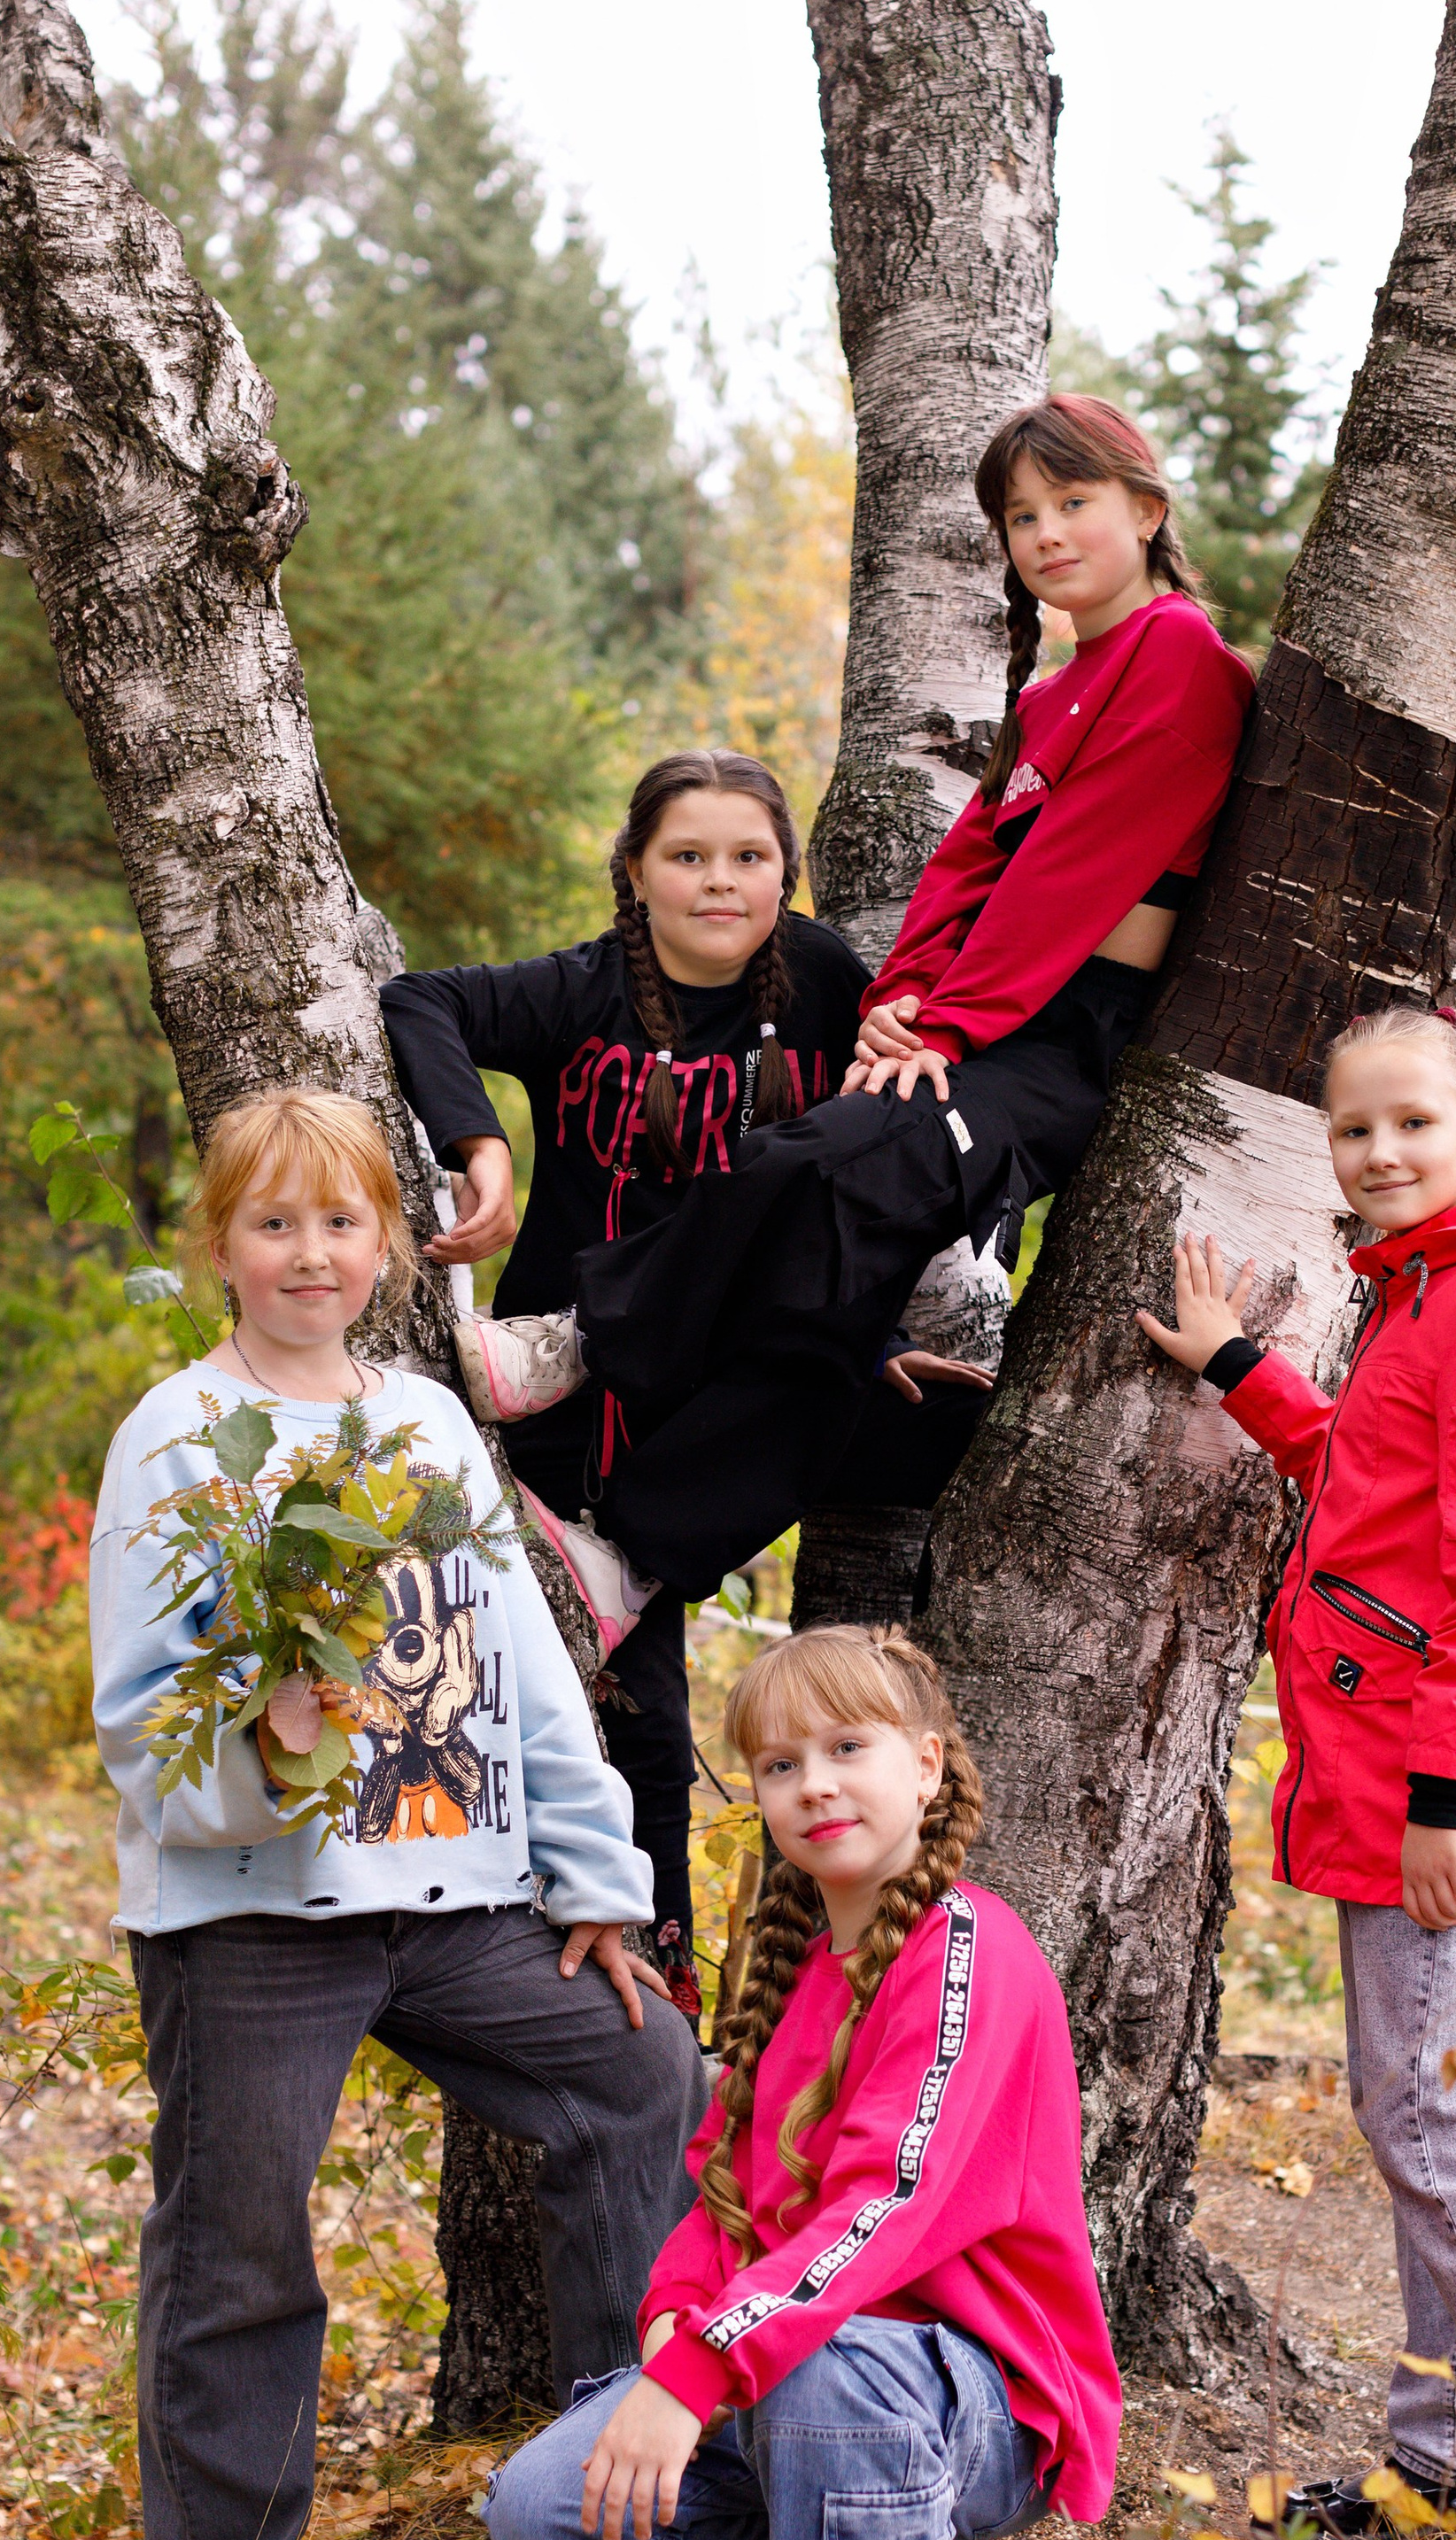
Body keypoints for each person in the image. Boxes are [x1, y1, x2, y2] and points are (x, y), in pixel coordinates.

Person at [91, 1086, 706, 2540]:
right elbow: (143, 1717)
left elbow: (521, 1667)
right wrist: (264, 1732)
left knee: (638, 2072)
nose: (310, 1253)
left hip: (450, 1899)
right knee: (240, 2231)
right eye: (275, 1222)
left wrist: (592, 1875)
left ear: (390, 1242)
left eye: (342, 1221)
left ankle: (617, 2470)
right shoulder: (176, 1431)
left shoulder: (429, 1421)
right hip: (252, 1918)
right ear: (222, 1241)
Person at [541, 394, 1254, 1615]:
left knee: (820, 1156)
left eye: (1073, 504)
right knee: (824, 1302)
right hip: (994, 1007)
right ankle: (634, 1566)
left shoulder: (1178, 654)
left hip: (1062, 1032)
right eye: (1021, 516)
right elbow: (971, 863)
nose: (1046, 535)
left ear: (1147, 509)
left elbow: (1074, 872)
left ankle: (583, 1339)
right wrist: (910, 990)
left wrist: (949, 1023)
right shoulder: (1050, 694)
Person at [478, 1626, 1120, 2540]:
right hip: (798, 2385)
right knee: (546, 2513)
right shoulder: (787, 1980)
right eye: (780, 1765)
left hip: (975, 2400)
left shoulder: (966, 1955)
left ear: (929, 1766)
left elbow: (883, 2208)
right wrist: (669, 2329)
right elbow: (718, 2198)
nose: (815, 1785)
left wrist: (699, 2371)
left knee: (829, 2364)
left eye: (849, 1748)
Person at [379, 751, 997, 2010]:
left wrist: (870, 1345)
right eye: (688, 857)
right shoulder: (587, 987)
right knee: (639, 1708)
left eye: (749, 858)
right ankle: (648, 1978)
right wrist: (482, 1149)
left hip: (738, 1386)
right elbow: (419, 999)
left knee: (957, 1422)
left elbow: (869, 1189)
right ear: (637, 871)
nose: (720, 882)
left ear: (786, 874)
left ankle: (647, 1559)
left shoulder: (829, 986)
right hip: (568, 1400)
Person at [1140, 1007, 1456, 2533]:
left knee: (1442, 2130)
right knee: (1421, 2122)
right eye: (1356, 1130)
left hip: (1444, 1797)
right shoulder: (1430, 1292)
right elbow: (1379, 1479)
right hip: (1395, 1777)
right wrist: (1241, 1369)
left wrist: (1444, 1805)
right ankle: (1451, 2464)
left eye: (1413, 1122)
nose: (1382, 1151)